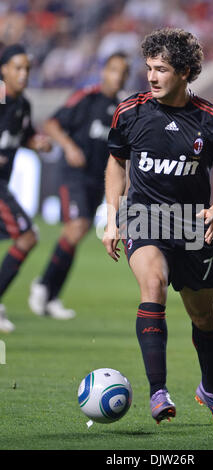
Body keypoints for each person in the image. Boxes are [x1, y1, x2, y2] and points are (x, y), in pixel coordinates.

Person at [102, 28, 213, 426]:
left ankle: (211, 390)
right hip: (143, 215)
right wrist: (112, 216)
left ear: (185, 72)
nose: (151, 77)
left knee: (204, 316)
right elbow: (116, 161)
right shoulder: (130, 111)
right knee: (152, 285)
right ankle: (158, 392)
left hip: (191, 224)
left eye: (161, 69)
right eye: (149, 68)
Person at [28, 53, 129, 319]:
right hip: (74, 175)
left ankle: (51, 295)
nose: (117, 76)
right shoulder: (87, 97)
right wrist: (70, 147)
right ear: (104, 71)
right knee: (78, 226)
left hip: (99, 179)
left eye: (123, 72)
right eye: (113, 70)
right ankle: (44, 285)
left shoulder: (123, 109)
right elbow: (52, 123)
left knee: (78, 233)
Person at [0, 44, 51, 333]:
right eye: (17, 68)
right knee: (28, 236)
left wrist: (38, 143)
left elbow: (24, 136)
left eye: (27, 69)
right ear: (3, 69)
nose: (23, 74)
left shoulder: (23, 105)